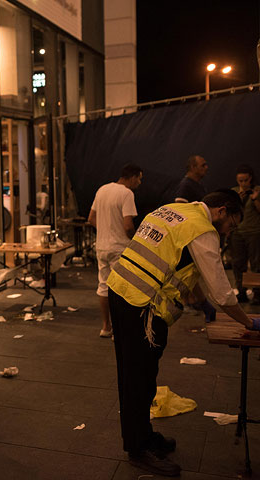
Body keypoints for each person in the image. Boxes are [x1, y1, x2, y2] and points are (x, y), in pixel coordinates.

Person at [107, 190, 260, 477]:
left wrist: (201, 302)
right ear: (223, 211)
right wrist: (248, 322)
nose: (230, 231)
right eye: (232, 224)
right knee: (138, 377)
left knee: (137, 374)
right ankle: (138, 449)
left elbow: (182, 264)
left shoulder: (176, 210)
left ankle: (143, 434)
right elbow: (223, 293)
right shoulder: (203, 230)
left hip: (122, 289)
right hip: (141, 304)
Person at [88, 164, 142, 337]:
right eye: (139, 179)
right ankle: (120, 331)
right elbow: (127, 226)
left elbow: (91, 218)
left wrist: (106, 230)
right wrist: (137, 241)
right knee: (121, 288)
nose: (139, 183)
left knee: (103, 286)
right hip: (120, 247)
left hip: (102, 246)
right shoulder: (127, 194)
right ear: (132, 177)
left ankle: (106, 327)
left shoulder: (102, 190)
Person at [230, 164, 260, 304]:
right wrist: (238, 199)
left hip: (254, 232)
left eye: (245, 180)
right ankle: (241, 291)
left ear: (250, 179)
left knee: (256, 263)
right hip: (237, 232)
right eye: (240, 181)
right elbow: (230, 213)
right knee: (237, 263)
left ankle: (257, 293)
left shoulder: (257, 190)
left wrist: (255, 199)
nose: (243, 183)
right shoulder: (234, 192)